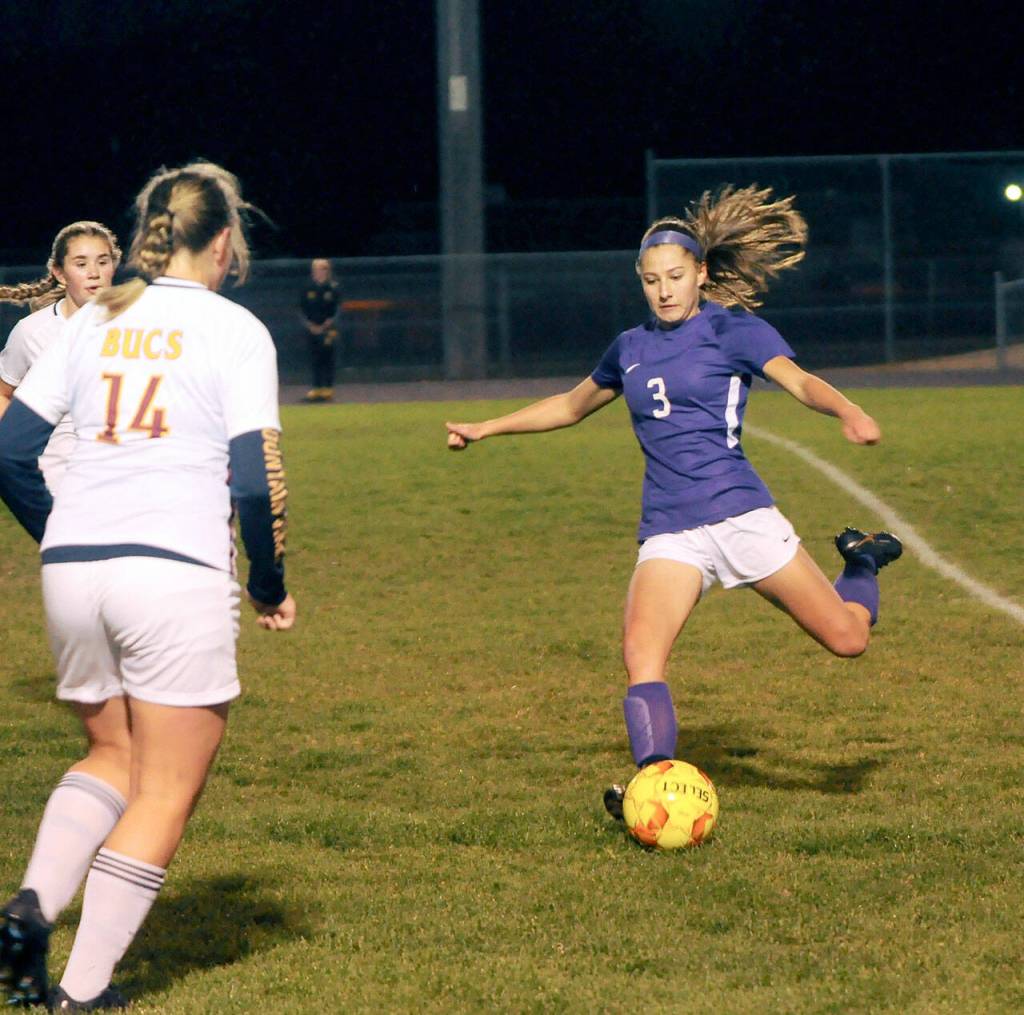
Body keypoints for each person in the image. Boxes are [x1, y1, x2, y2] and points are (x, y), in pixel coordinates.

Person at [445, 185, 902, 820]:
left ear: (701, 275)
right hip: (670, 530)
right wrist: (486, 428)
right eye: (652, 279)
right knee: (641, 654)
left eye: (677, 277)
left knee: (849, 639)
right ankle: (653, 790)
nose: (664, 291)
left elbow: (800, 381)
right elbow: (571, 406)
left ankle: (862, 565)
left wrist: (848, 409)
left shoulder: (733, 329)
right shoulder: (628, 348)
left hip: (741, 515)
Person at [0, 160, 296, 1011]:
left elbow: (12, 451)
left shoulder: (96, 317)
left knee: (111, 753)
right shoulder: (235, 328)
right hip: (170, 568)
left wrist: (62, 540)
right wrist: (269, 583)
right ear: (226, 241)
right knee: (167, 783)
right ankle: (83, 992)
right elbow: (249, 476)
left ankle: (31, 903)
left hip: (73, 565)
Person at [0, 222, 121, 493]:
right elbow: (3, 391)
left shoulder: (136, 329)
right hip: (57, 489)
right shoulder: (32, 332)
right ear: (60, 273)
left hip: (119, 482)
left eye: (103, 262)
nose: (94, 273)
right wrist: (21, 446)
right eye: (81, 264)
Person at [299, 257, 340, 402]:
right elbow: (301, 309)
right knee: (314, 357)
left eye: (323, 269)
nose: (319, 272)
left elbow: (337, 310)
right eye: (316, 269)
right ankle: (316, 388)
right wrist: (310, 325)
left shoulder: (333, 288)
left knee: (328, 357)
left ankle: (328, 388)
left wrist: (327, 324)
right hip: (312, 329)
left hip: (328, 330)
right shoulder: (307, 288)